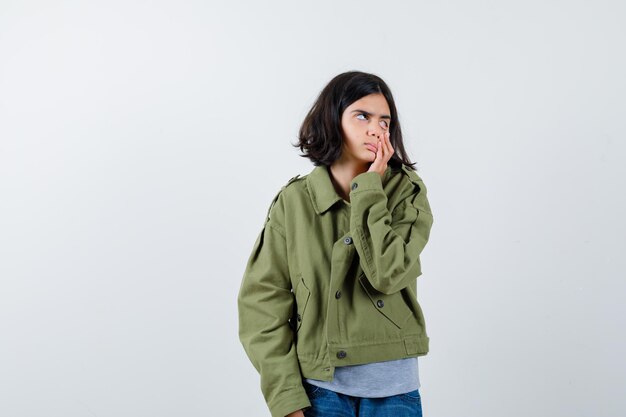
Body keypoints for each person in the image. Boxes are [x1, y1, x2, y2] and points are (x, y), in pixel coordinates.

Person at [237, 70, 434, 417]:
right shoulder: (294, 201)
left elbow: (388, 274)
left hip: (394, 392)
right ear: (333, 121)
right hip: (319, 391)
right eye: (362, 116)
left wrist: (369, 189)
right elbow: (262, 305)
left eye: (384, 121)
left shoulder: (407, 192)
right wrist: (286, 399)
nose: (376, 129)